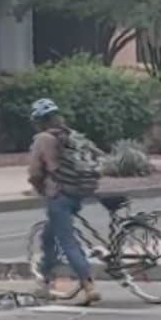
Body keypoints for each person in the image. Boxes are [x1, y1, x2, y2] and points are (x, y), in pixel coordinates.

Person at [26, 98, 100, 305]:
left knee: (67, 242)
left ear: (39, 121)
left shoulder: (42, 139)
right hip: (78, 191)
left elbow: (34, 171)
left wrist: (38, 187)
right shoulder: (70, 135)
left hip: (58, 195)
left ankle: (89, 285)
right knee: (49, 236)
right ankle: (47, 280)